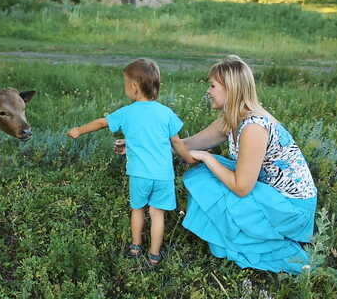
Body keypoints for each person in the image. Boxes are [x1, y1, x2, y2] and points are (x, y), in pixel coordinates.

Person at [116, 55, 317, 274]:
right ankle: (240, 230)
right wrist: (141, 145)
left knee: (207, 174)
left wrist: (207, 157)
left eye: (213, 86)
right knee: (204, 175)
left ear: (230, 89)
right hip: (266, 192)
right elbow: (187, 144)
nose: (208, 91)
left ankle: (274, 240)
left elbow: (241, 187)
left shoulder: (253, 127)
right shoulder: (232, 117)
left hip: (290, 209)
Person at [67, 58, 195, 266]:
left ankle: (135, 248)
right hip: (163, 176)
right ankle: (154, 255)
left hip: (139, 175)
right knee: (157, 213)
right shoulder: (166, 113)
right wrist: (189, 159)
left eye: (126, 84)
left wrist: (79, 130)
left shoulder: (127, 113)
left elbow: (101, 122)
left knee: (137, 209)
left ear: (134, 86)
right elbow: (177, 143)